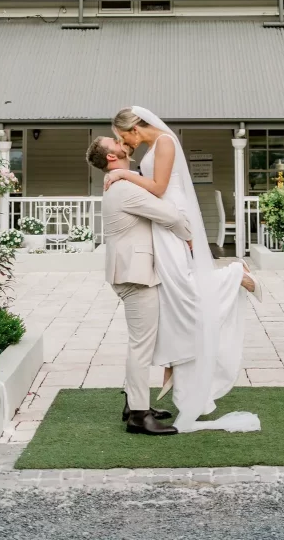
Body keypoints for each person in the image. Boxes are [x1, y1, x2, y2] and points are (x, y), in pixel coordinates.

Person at [107, 106, 261, 434]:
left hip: (168, 217)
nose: (124, 144)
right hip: (159, 223)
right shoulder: (150, 147)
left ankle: (234, 275)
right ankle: (171, 371)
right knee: (173, 296)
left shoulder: (164, 142)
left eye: (124, 137)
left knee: (183, 287)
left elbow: (160, 187)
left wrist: (124, 174)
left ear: (135, 128)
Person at [86, 134, 191, 436]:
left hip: (132, 272)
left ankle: (133, 403)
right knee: (141, 346)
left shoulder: (123, 183)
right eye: (115, 141)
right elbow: (170, 215)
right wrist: (189, 233)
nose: (122, 140)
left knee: (140, 344)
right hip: (136, 275)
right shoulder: (124, 189)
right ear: (110, 156)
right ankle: (139, 417)